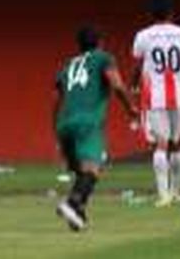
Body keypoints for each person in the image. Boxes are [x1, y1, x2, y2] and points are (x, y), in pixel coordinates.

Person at [54, 26, 138, 231]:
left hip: (64, 123)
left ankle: (78, 215)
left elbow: (56, 100)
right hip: (87, 122)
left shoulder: (67, 65)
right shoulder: (103, 58)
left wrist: (56, 130)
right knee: (93, 168)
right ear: (100, 42)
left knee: (82, 172)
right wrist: (131, 108)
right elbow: (117, 85)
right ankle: (71, 204)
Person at [131, 0, 180, 207]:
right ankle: (175, 192)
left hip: (154, 96)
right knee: (178, 144)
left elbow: (137, 66)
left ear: (152, 15)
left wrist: (134, 85)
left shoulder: (143, 36)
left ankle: (163, 195)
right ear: (171, 14)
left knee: (160, 145)